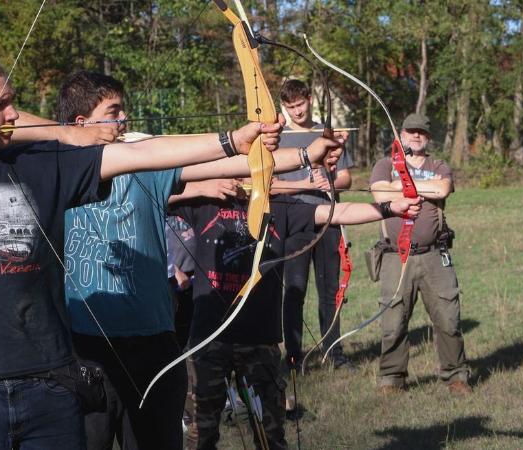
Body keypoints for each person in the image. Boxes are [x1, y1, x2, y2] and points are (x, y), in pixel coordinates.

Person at [0, 54, 287, 449]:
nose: (15, 114)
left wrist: (232, 140)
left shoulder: (40, 164)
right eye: (1, 105)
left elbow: (138, 155)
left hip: (49, 386)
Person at [57, 71, 346, 450]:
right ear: (81, 123)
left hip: (152, 345)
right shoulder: (54, 169)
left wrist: (306, 154)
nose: (124, 118)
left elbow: (227, 164)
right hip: (86, 348)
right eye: (114, 111)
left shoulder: (147, 166)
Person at [171, 179, 422, 450]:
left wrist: (390, 207)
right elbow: (157, 191)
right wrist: (202, 188)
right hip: (210, 338)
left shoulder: (280, 206)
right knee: (200, 435)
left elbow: (337, 212)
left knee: (271, 435)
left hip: (260, 339)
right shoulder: (207, 202)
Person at [369, 113, 471, 396]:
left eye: (421, 133)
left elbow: (442, 188)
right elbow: (379, 194)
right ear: (401, 135)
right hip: (394, 255)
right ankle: (392, 379)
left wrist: (400, 188)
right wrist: (419, 189)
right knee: (393, 321)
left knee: (448, 319)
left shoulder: (438, 165)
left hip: (434, 255)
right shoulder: (385, 165)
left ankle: (455, 376)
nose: (416, 136)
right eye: (410, 131)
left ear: (428, 138)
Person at [271, 79, 355, 371]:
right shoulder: (279, 139)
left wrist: (329, 179)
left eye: (300, 104)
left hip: (328, 222)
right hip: (294, 224)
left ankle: (335, 354)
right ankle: (293, 357)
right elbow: (270, 185)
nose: (296, 111)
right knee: (294, 290)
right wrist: (305, 183)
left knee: (330, 290)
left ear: (309, 99)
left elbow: (345, 177)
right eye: (290, 106)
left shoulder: (326, 133)